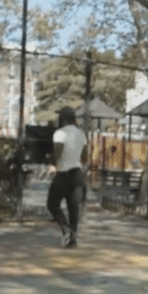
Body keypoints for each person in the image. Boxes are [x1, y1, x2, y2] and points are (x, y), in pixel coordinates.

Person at [47, 106, 88, 248]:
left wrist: (52, 161)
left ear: (62, 118)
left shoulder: (59, 133)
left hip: (63, 173)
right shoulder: (81, 134)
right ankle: (73, 240)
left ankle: (65, 228)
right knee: (73, 207)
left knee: (52, 203)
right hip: (77, 173)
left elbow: (57, 153)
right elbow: (85, 156)